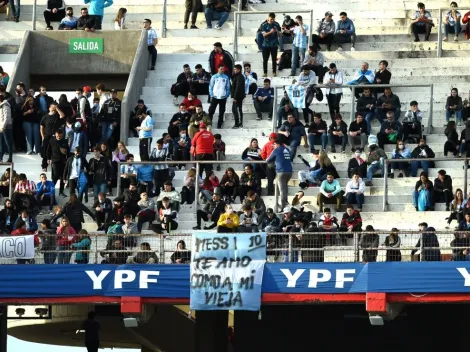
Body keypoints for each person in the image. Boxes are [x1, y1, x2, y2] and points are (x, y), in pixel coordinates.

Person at [266, 139, 293, 209]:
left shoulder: (277, 150)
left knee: (282, 190)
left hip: (281, 171)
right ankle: (286, 202)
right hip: (289, 171)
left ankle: (283, 207)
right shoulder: (287, 149)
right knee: (285, 187)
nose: (273, 146)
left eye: (274, 144)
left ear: (277, 144)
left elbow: (267, 160)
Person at [208, 64, 230, 129]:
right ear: (218, 69)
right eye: (221, 69)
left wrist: (226, 95)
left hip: (223, 97)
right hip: (215, 97)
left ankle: (219, 124)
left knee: (222, 111)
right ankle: (209, 123)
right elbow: (211, 86)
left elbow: (228, 87)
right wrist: (212, 95)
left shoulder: (226, 77)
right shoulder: (214, 77)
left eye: (223, 69)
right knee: (211, 110)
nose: (222, 70)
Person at [260, 13, 281, 77]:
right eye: (271, 19)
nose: (272, 21)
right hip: (265, 45)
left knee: (274, 59)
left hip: (274, 45)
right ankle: (265, 72)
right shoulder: (264, 25)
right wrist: (271, 32)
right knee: (265, 59)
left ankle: (274, 72)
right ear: (268, 18)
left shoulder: (276, 24)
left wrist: (277, 31)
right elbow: (264, 35)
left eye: (273, 19)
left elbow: (280, 35)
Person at [231, 64, 245, 129]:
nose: (234, 70)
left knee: (236, 110)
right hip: (237, 96)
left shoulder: (240, 77)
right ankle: (238, 123)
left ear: (239, 70)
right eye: (234, 69)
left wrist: (235, 97)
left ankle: (238, 123)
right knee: (235, 110)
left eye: (235, 69)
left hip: (238, 97)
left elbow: (238, 88)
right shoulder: (236, 76)